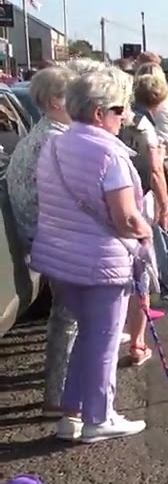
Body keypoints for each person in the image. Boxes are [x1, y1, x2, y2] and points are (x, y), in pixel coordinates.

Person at [31, 64, 152, 442]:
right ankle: (100, 417)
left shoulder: (55, 142)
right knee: (101, 339)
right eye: (119, 110)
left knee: (86, 335)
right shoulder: (110, 155)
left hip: (60, 256)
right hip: (100, 261)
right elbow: (127, 218)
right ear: (99, 112)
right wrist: (146, 231)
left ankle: (73, 414)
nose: (123, 117)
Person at [6, 65, 77, 419]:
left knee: (64, 318)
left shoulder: (42, 134)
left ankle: (59, 392)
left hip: (41, 236)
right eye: (73, 96)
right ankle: (59, 397)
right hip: (55, 238)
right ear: (53, 101)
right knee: (68, 319)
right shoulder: (56, 140)